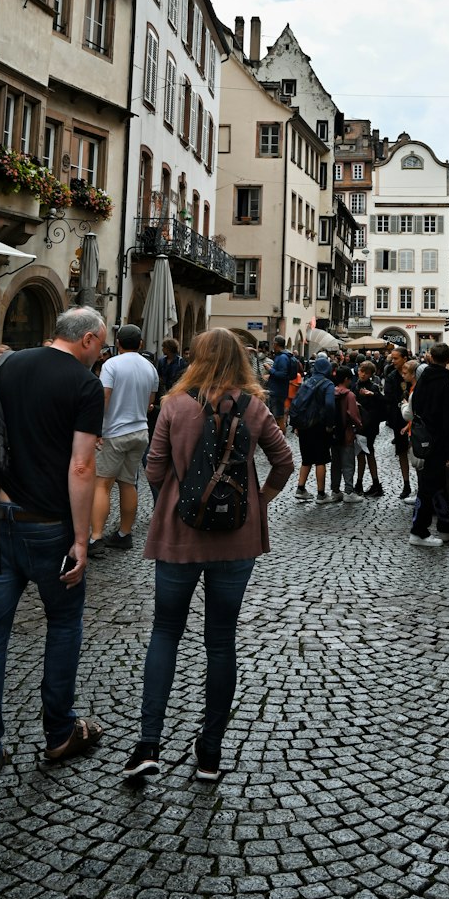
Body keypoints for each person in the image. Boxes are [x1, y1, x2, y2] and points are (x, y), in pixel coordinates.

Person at [122, 328, 293, 781]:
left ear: (196, 358)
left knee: (165, 632)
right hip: (236, 539)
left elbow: (154, 466)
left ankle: (148, 745)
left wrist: (176, 505)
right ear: (240, 359)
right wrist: (259, 500)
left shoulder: (175, 405)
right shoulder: (255, 407)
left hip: (179, 536)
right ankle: (210, 754)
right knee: (220, 640)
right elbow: (284, 462)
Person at [0, 306, 107, 789]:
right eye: (101, 345)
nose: (101, 354)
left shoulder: (5, 365)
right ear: (87, 340)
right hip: (49, 524)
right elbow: (82, 466)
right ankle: (60, 731)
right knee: (64, 624)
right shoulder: (85, 385)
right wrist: (81, 539)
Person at [89, 324, 158, 557]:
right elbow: (150, 402)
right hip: (140, 431)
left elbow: (104, 396)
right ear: (140, 344)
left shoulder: (111, 364)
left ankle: (96, 537)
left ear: (117, 343)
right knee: (128, 483)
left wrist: (97, 428)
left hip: (114, 432)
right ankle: (124, 534)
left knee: (102, 484)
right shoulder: (150, 367)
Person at [409, 343, 449, 547]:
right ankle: (418, 531)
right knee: (429, 486)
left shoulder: (422, 381)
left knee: (437, 484)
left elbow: (417, 407)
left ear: (430, 358)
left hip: (424, 437)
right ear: (448, 361)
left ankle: (445, 526)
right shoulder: (446, 386)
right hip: (438, 442)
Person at [293, 355, 336, 502]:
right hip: (319, 425)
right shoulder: (328, 384)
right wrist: (330, 424)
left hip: (304, 425)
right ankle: (321, 494)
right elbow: (330, 405)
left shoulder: (307, 381)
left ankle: (300, 488)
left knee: (306, 459)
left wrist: (296, 425)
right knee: (320, 459)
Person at [382, 346, 412, 501]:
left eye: (396, 358)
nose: (392, 361)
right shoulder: (392, 376)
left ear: (404, 359)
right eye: (392, 358)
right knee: (401, 452)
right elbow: (388, 397)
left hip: (414, 419)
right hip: (398, 419)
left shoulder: (414, 374)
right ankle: (406, 483)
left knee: (418, 452)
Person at [329, 366, 364, 502]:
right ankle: (348, 491)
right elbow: (354, 416)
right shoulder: (349, 395)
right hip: (347, 433)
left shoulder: (331, 392)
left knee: (335, 463)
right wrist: (360, 426)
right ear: (346, 379)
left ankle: (335, 490)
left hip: (333, 433)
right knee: (348, 463)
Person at [353, 361, 384, 497]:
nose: (363, 374)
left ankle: (375, 483)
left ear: (371, 374)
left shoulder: (374, 388)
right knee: (360, 454)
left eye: (366, 372)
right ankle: (359, 483)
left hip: (369, 426)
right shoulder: (355, 386)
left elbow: (381, 405)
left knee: (369, 452)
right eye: (361, 371)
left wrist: (373, 395)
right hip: (359, 426)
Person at [266, 336, 296, 432]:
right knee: (275, 418)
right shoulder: (281, 356)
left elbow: (283, 374)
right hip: (277, 391)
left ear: (276, 344)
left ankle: (282, 441)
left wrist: (270, 370)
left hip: (278, 392)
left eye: (273, 343)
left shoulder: (282, 357)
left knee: (278, 418)